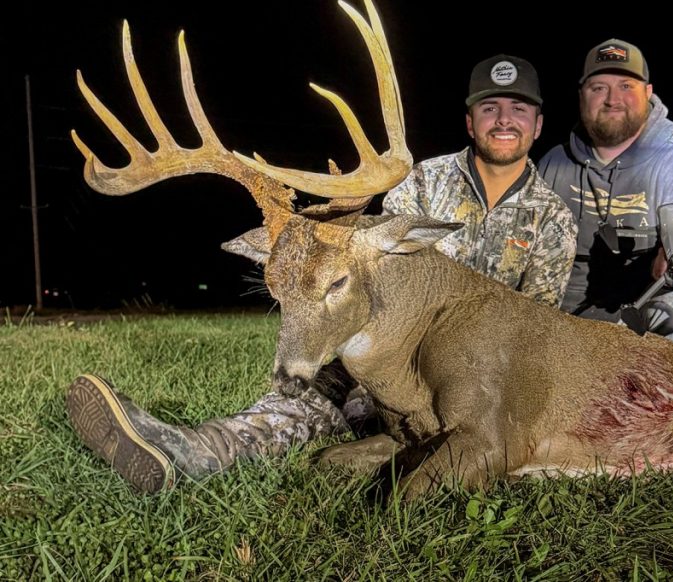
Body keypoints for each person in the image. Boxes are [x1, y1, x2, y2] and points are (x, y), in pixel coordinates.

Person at [67, 54, 577, 493]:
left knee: (398, 411)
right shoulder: (423, 181)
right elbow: (360, 257)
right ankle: (195, 450)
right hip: (389, 351)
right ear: (470, 121)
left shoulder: (552, 219)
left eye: (519, 109)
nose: (503, 120)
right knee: (317, 388)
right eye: (489, 108)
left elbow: (534, 325)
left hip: (477, 375)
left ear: (537, 124)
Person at [538, 38, 673, 347]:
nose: (613, 99)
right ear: (582, 95)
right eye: (599, 88)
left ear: (648, 93)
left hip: (641, 308)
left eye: (626, 86)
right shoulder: (554, 162)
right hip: (563, 314)